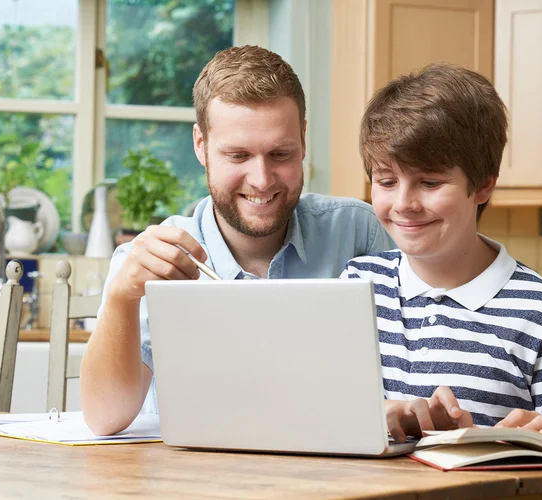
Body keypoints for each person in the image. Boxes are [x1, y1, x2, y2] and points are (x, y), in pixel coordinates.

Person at [81, 45, 393, 435]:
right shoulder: (155, 261)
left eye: (281, 153)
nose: (262, 180)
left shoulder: (357, 233)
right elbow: (104, 417)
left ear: (304, 139)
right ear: (201, 146)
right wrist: (120, 299)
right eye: (238, 155)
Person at [342, 63, 542, 443]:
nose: (403, 204)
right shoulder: (357, 283)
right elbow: (323, 414)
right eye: (386, 181)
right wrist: (369, 416)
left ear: (482, 186)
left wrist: (503, 445)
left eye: (429, 182)